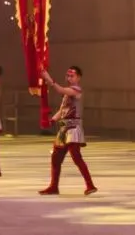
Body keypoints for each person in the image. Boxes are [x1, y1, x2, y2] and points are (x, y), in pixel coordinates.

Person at [38, 66, 96, 196]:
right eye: (68, 76)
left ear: (78, 77)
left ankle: (90, 185)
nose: (69, 78)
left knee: (76, 157)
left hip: (73, 129)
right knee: (55, 158)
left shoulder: (76, 90)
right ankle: (54, 186)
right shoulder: (68, 93)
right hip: (64, 129)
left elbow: (60, 89)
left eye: (72, 76)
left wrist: (49, 79)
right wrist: (52, 120)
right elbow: (62, 110)